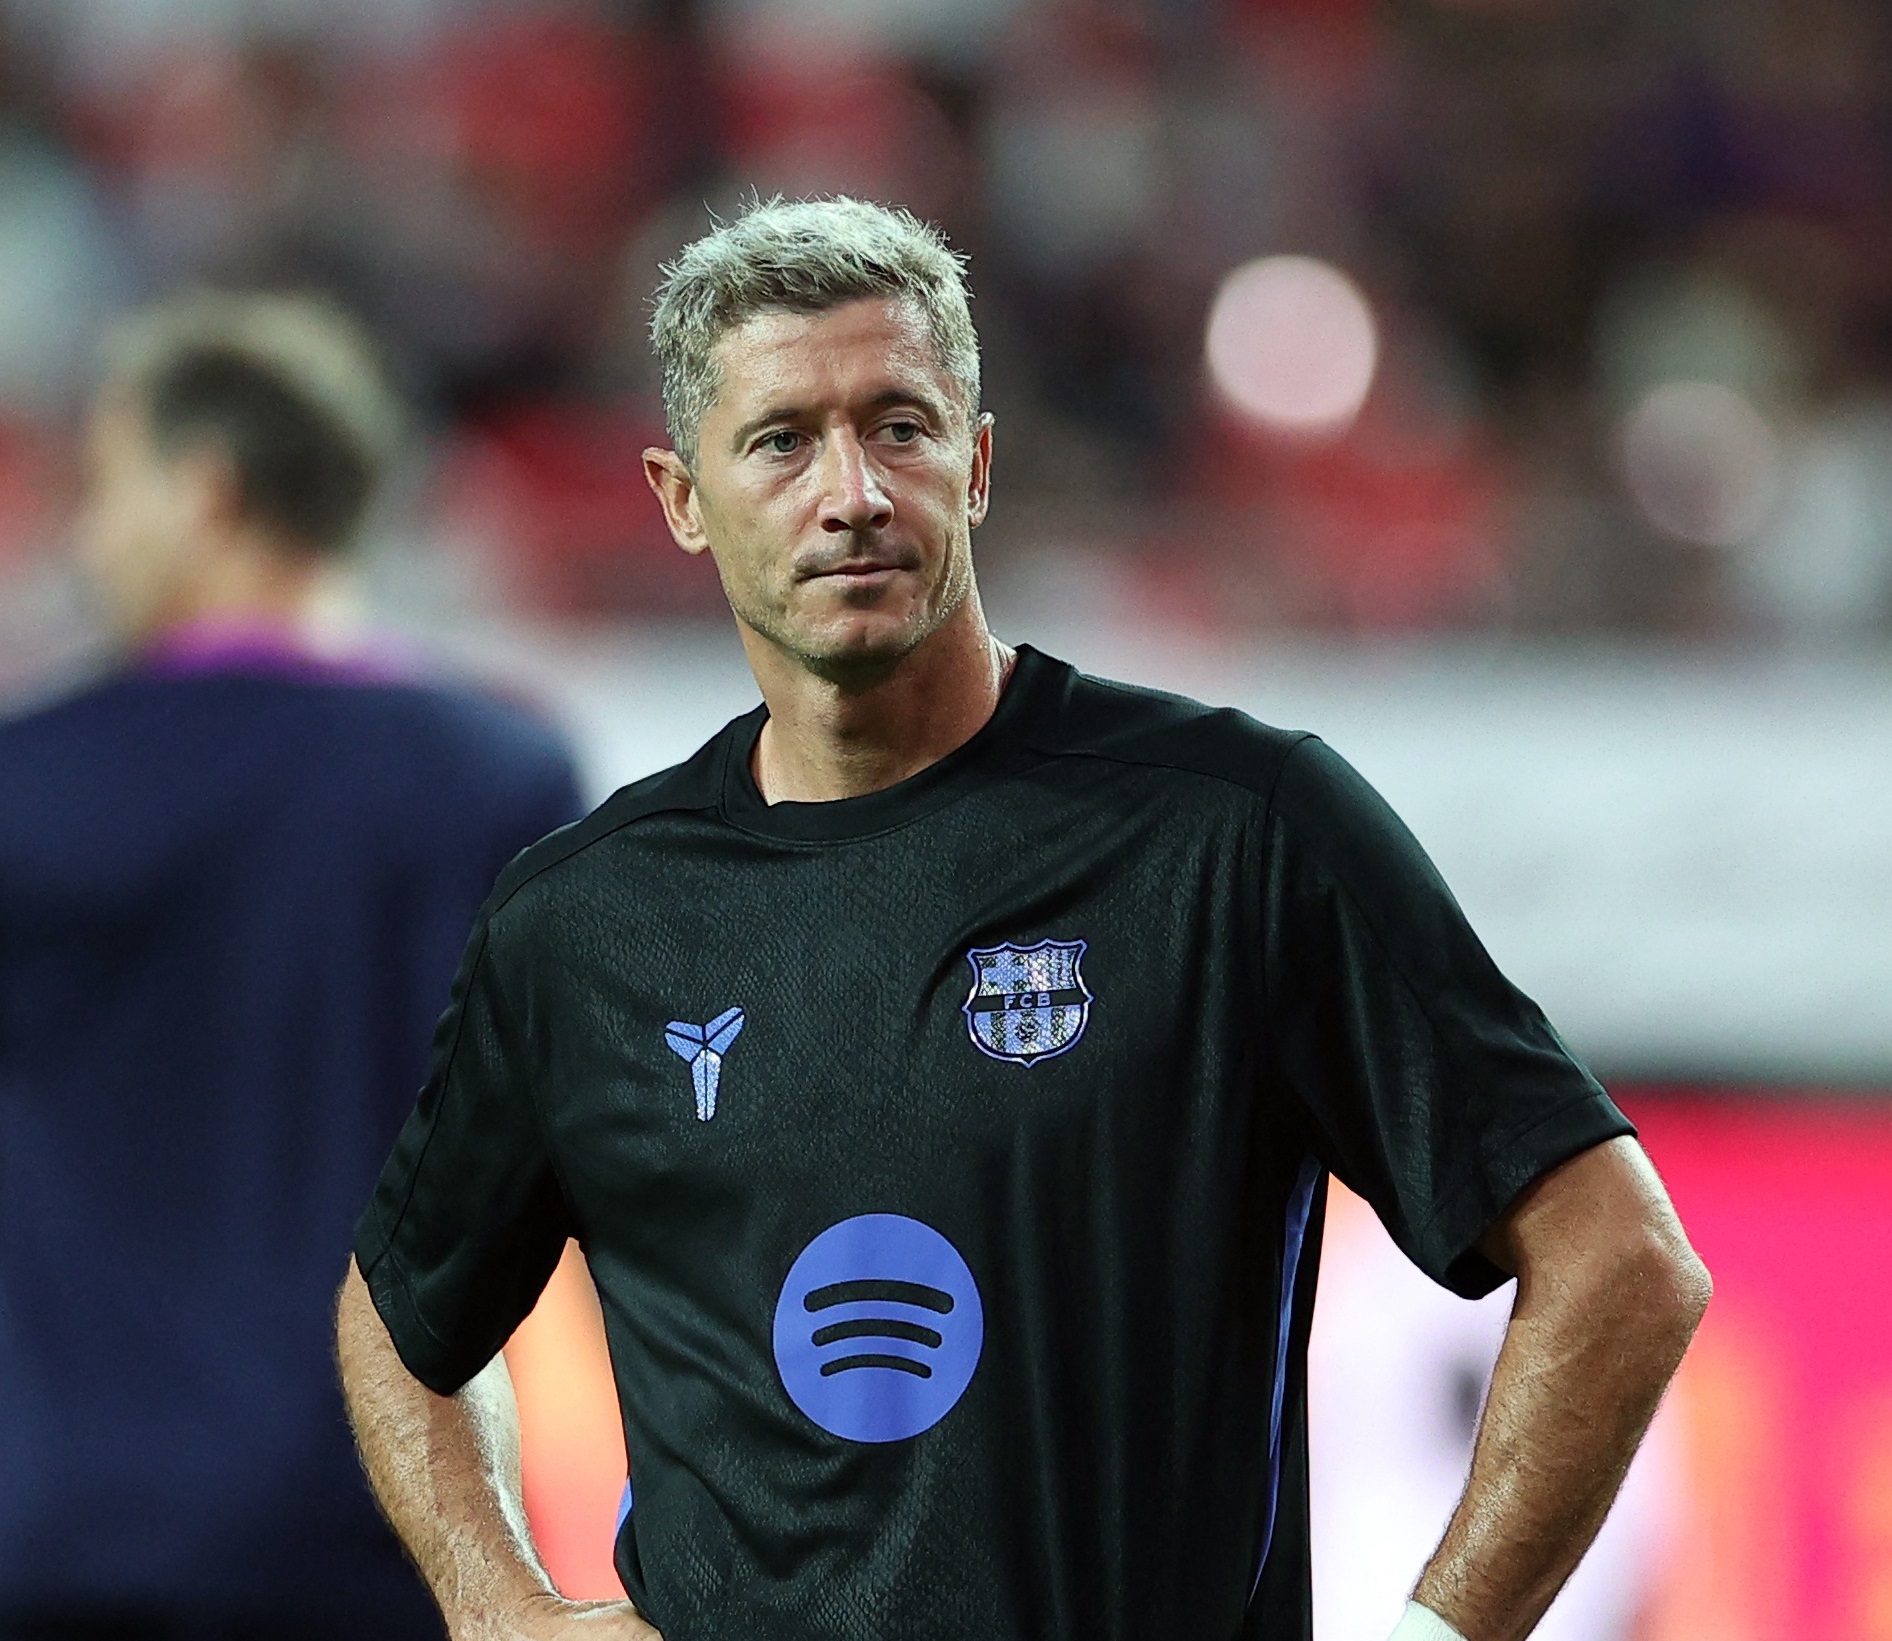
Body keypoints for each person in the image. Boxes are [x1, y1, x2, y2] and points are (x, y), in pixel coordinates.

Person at [336, 199, 1710, 1641]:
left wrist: (1438, 1632)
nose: (853, 490)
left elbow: (1620, 1257)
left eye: (902, 426)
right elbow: (401, 1311)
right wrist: (498, 1606)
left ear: (979, 464)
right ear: (683, 498)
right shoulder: (587, 920)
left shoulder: (1235, 830)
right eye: (783, 440)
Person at [0, 293, 584, 1640]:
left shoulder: (27, 789)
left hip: (79, 1520)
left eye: (105, 486)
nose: (84, 534)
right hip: (391, 1512)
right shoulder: (498, 775)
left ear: (206, 490)